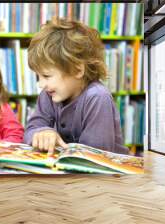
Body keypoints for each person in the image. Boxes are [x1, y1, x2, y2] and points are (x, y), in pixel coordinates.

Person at [24, 18, 129, 156]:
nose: (41, 84)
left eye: (47, 76)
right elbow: (31, 129)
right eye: (38, 76)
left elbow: (95, 156)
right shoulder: (49, 93)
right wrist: (42, 133)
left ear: (77, 70)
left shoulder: (97, 97)